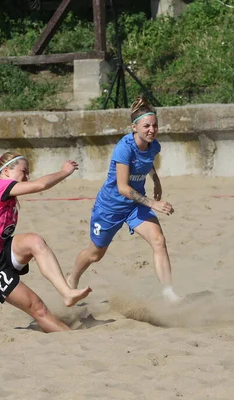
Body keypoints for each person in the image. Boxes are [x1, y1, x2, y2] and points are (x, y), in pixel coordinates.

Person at [0, 152, 92, 332]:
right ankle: (70, 338)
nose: (27, 176)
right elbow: (41, 184)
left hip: (1, 250)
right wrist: (64, 172)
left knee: (34, 240)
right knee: (38, 308)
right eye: (24, 171)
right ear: (7, 171)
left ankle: (66, 293)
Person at [67, 96, 182, 303]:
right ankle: (72, 278)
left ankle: (168, 292)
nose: (152, 130)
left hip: (135, 206)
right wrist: (153, 203)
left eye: (155, 125)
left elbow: (148, 163)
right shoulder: (124, 148)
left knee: (158, 240)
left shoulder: (153, 145)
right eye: (146, 126)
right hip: (110, 207)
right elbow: (122, 188)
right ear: (134, 127)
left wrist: (156, 180)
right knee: (95, 254)